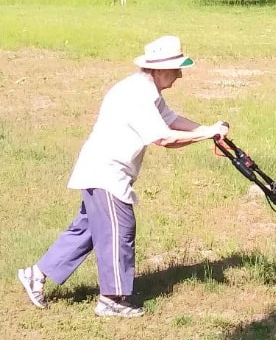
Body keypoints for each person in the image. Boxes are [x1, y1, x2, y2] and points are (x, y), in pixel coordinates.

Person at [17, 35, 229, 318]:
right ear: (157, 68)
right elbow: (164, 139)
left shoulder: (147, 90)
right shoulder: (137, 95)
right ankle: (112, 300)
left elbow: (171, 120)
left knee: (88, 231)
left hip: (101, 170)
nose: (180, 74)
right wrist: (204, 134)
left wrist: (209, 128)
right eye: (176, 68)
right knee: (120, 231)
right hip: (107, 172)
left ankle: (35, 275)